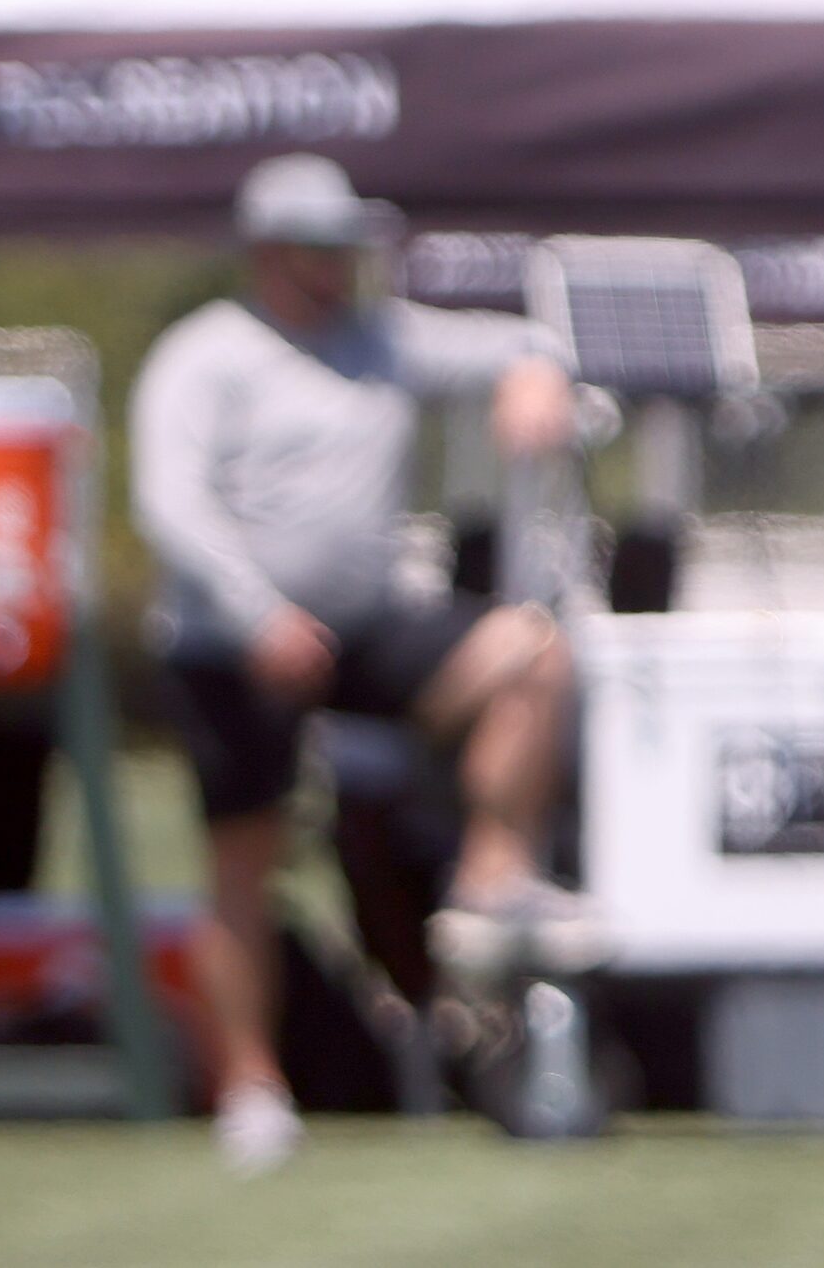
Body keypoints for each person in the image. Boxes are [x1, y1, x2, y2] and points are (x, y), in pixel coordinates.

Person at [134, 154, 588, 1174]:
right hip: (232, 642)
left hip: (364, 628)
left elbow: (521, 340)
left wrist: (534, 376)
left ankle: (491, 878)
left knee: (530, 658)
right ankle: (251, 1088)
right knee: (243, 865)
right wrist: (257, 614)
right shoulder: (205, 357)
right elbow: (173, 502)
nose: (340, 266)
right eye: (319, 247)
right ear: (266, 253)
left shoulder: (384, 340)